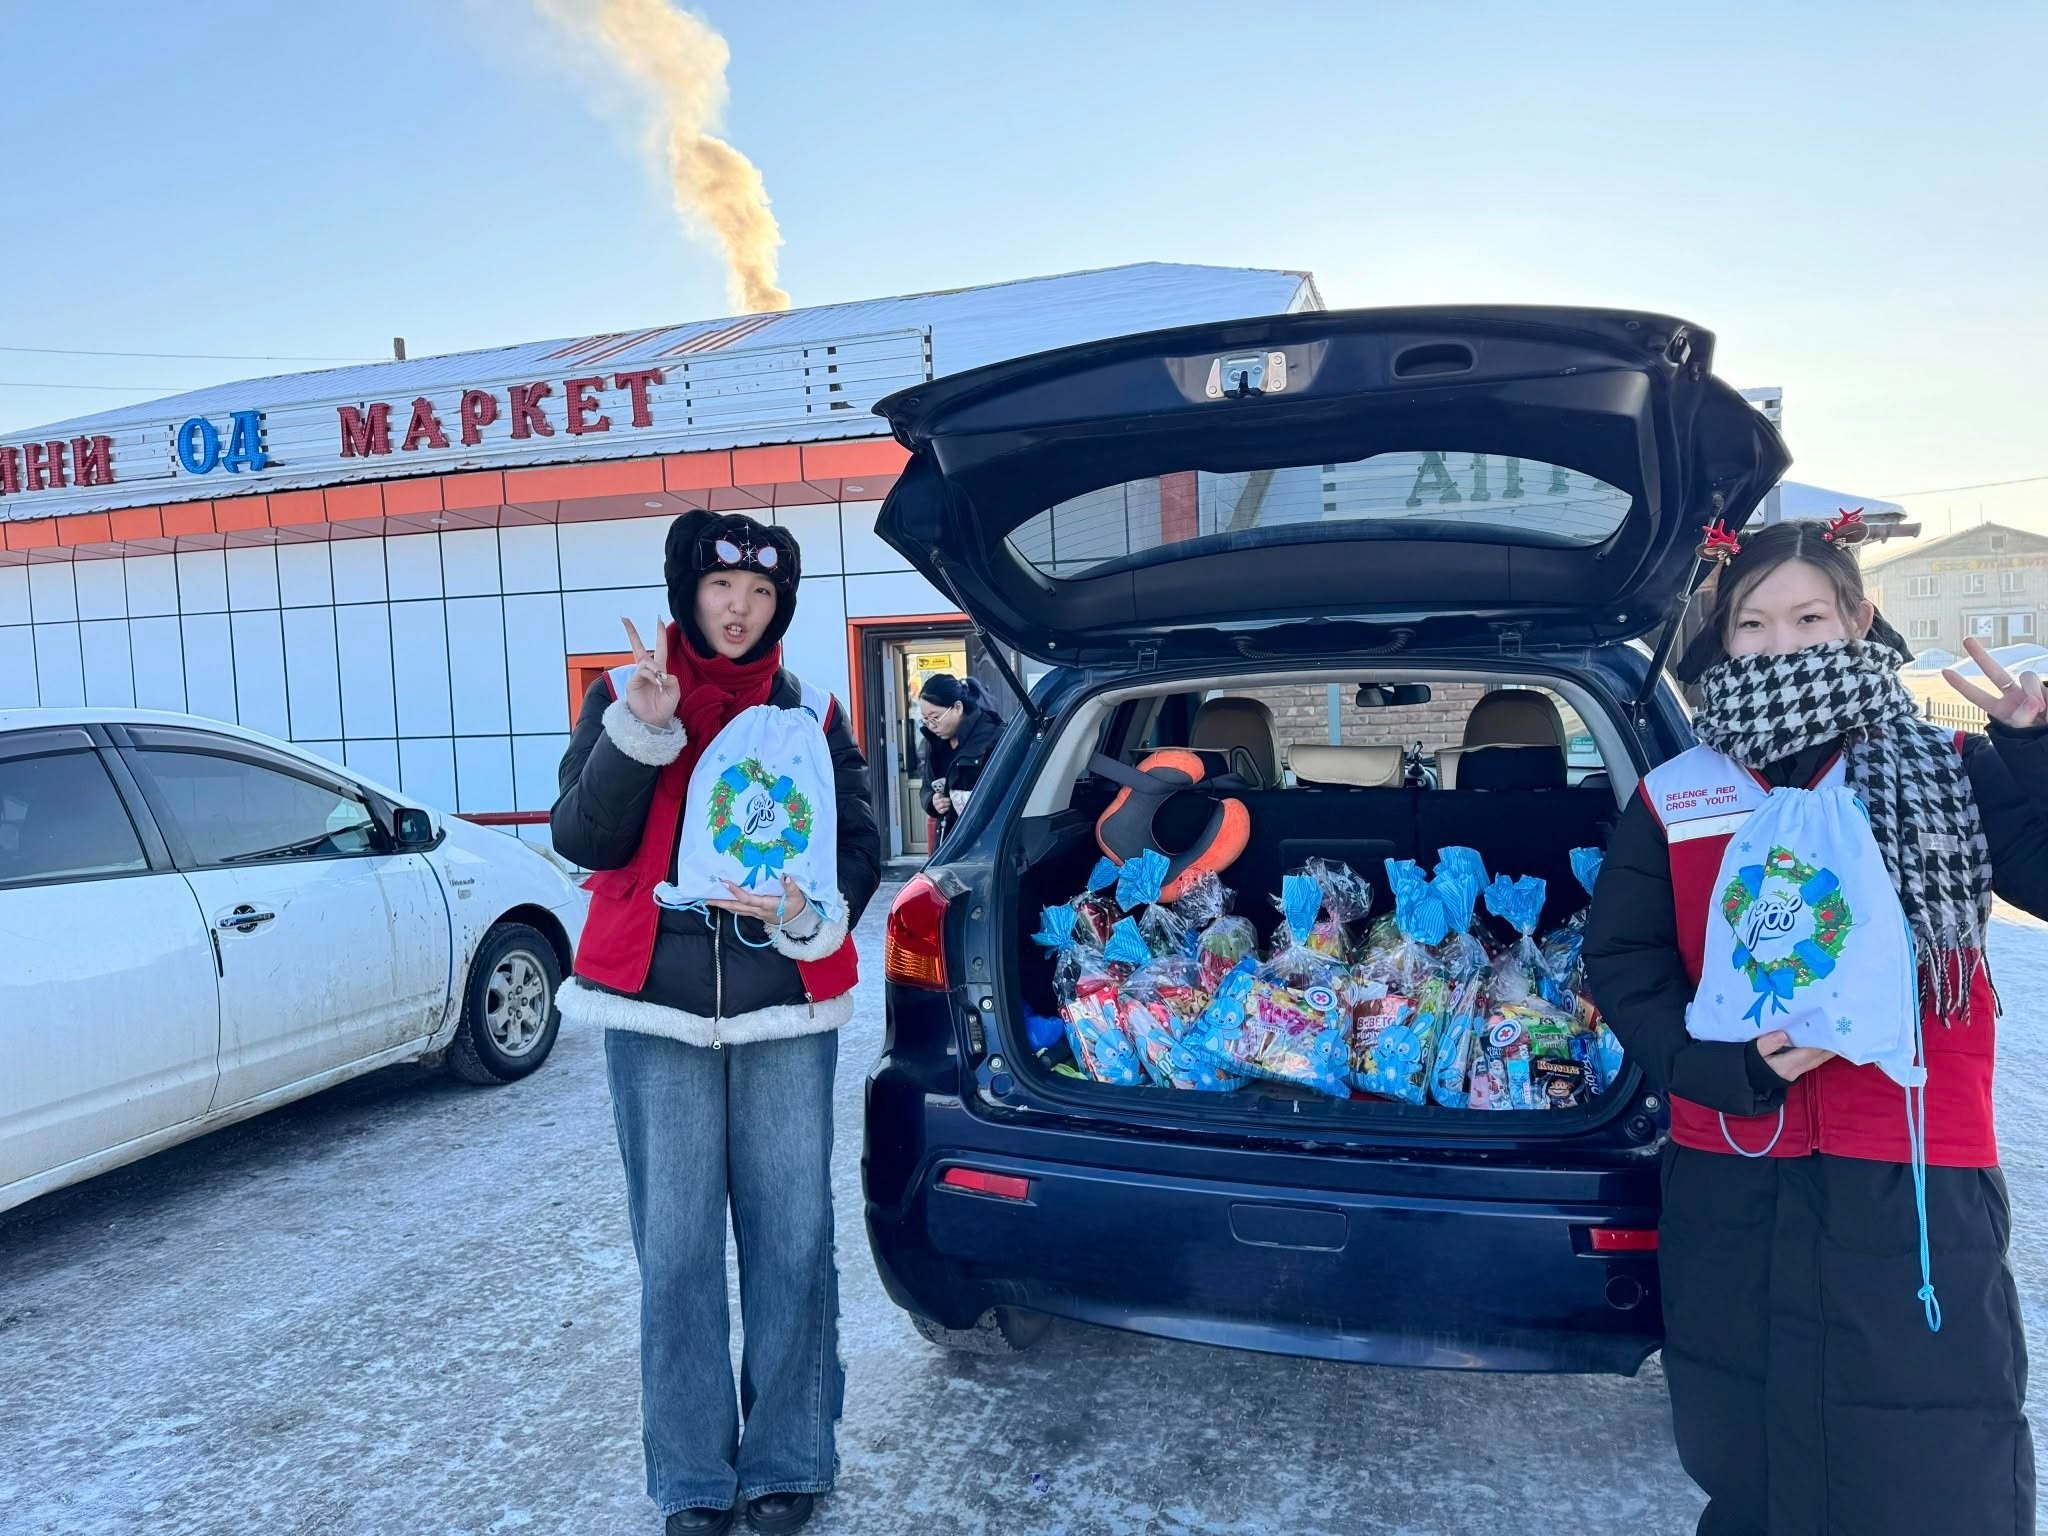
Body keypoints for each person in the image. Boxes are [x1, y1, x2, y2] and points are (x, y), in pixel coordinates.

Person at [1584, 515, 2048, 1536]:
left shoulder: (1951, 765)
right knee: (1743, 1438)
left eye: (1807, 617)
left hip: (1910, 1163)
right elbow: (1622, 961)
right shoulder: (1680, 793)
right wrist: (1715, 1068)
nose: (1779, 642)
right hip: (1733, 1158)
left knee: (1931, 1451)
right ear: (1723, 637)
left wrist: (2035, 750)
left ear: (1857, 619)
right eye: (1752, 622)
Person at [551, 510, 881, 1536]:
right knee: (678, 1249)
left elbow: (856, 845)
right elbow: (585, 838)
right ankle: (692, 1474)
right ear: (686, 591)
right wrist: (640, 734)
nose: (739, 608)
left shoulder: (813, 711)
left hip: (783, 1008)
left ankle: (789, 1456)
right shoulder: (624, 693)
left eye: (761, 592)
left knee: (793, 1237)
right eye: (720, 587)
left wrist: (806, 912)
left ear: (781, 605)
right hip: (655, 1009)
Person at [916, 672, 1003, 845]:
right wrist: (932, 801)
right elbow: (927, 786)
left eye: (935, 717)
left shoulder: (992, 736)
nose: (932, 726)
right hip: (947, 841)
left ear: (957, 707)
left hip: (984, 842)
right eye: (926, 720)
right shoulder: (934, 742)